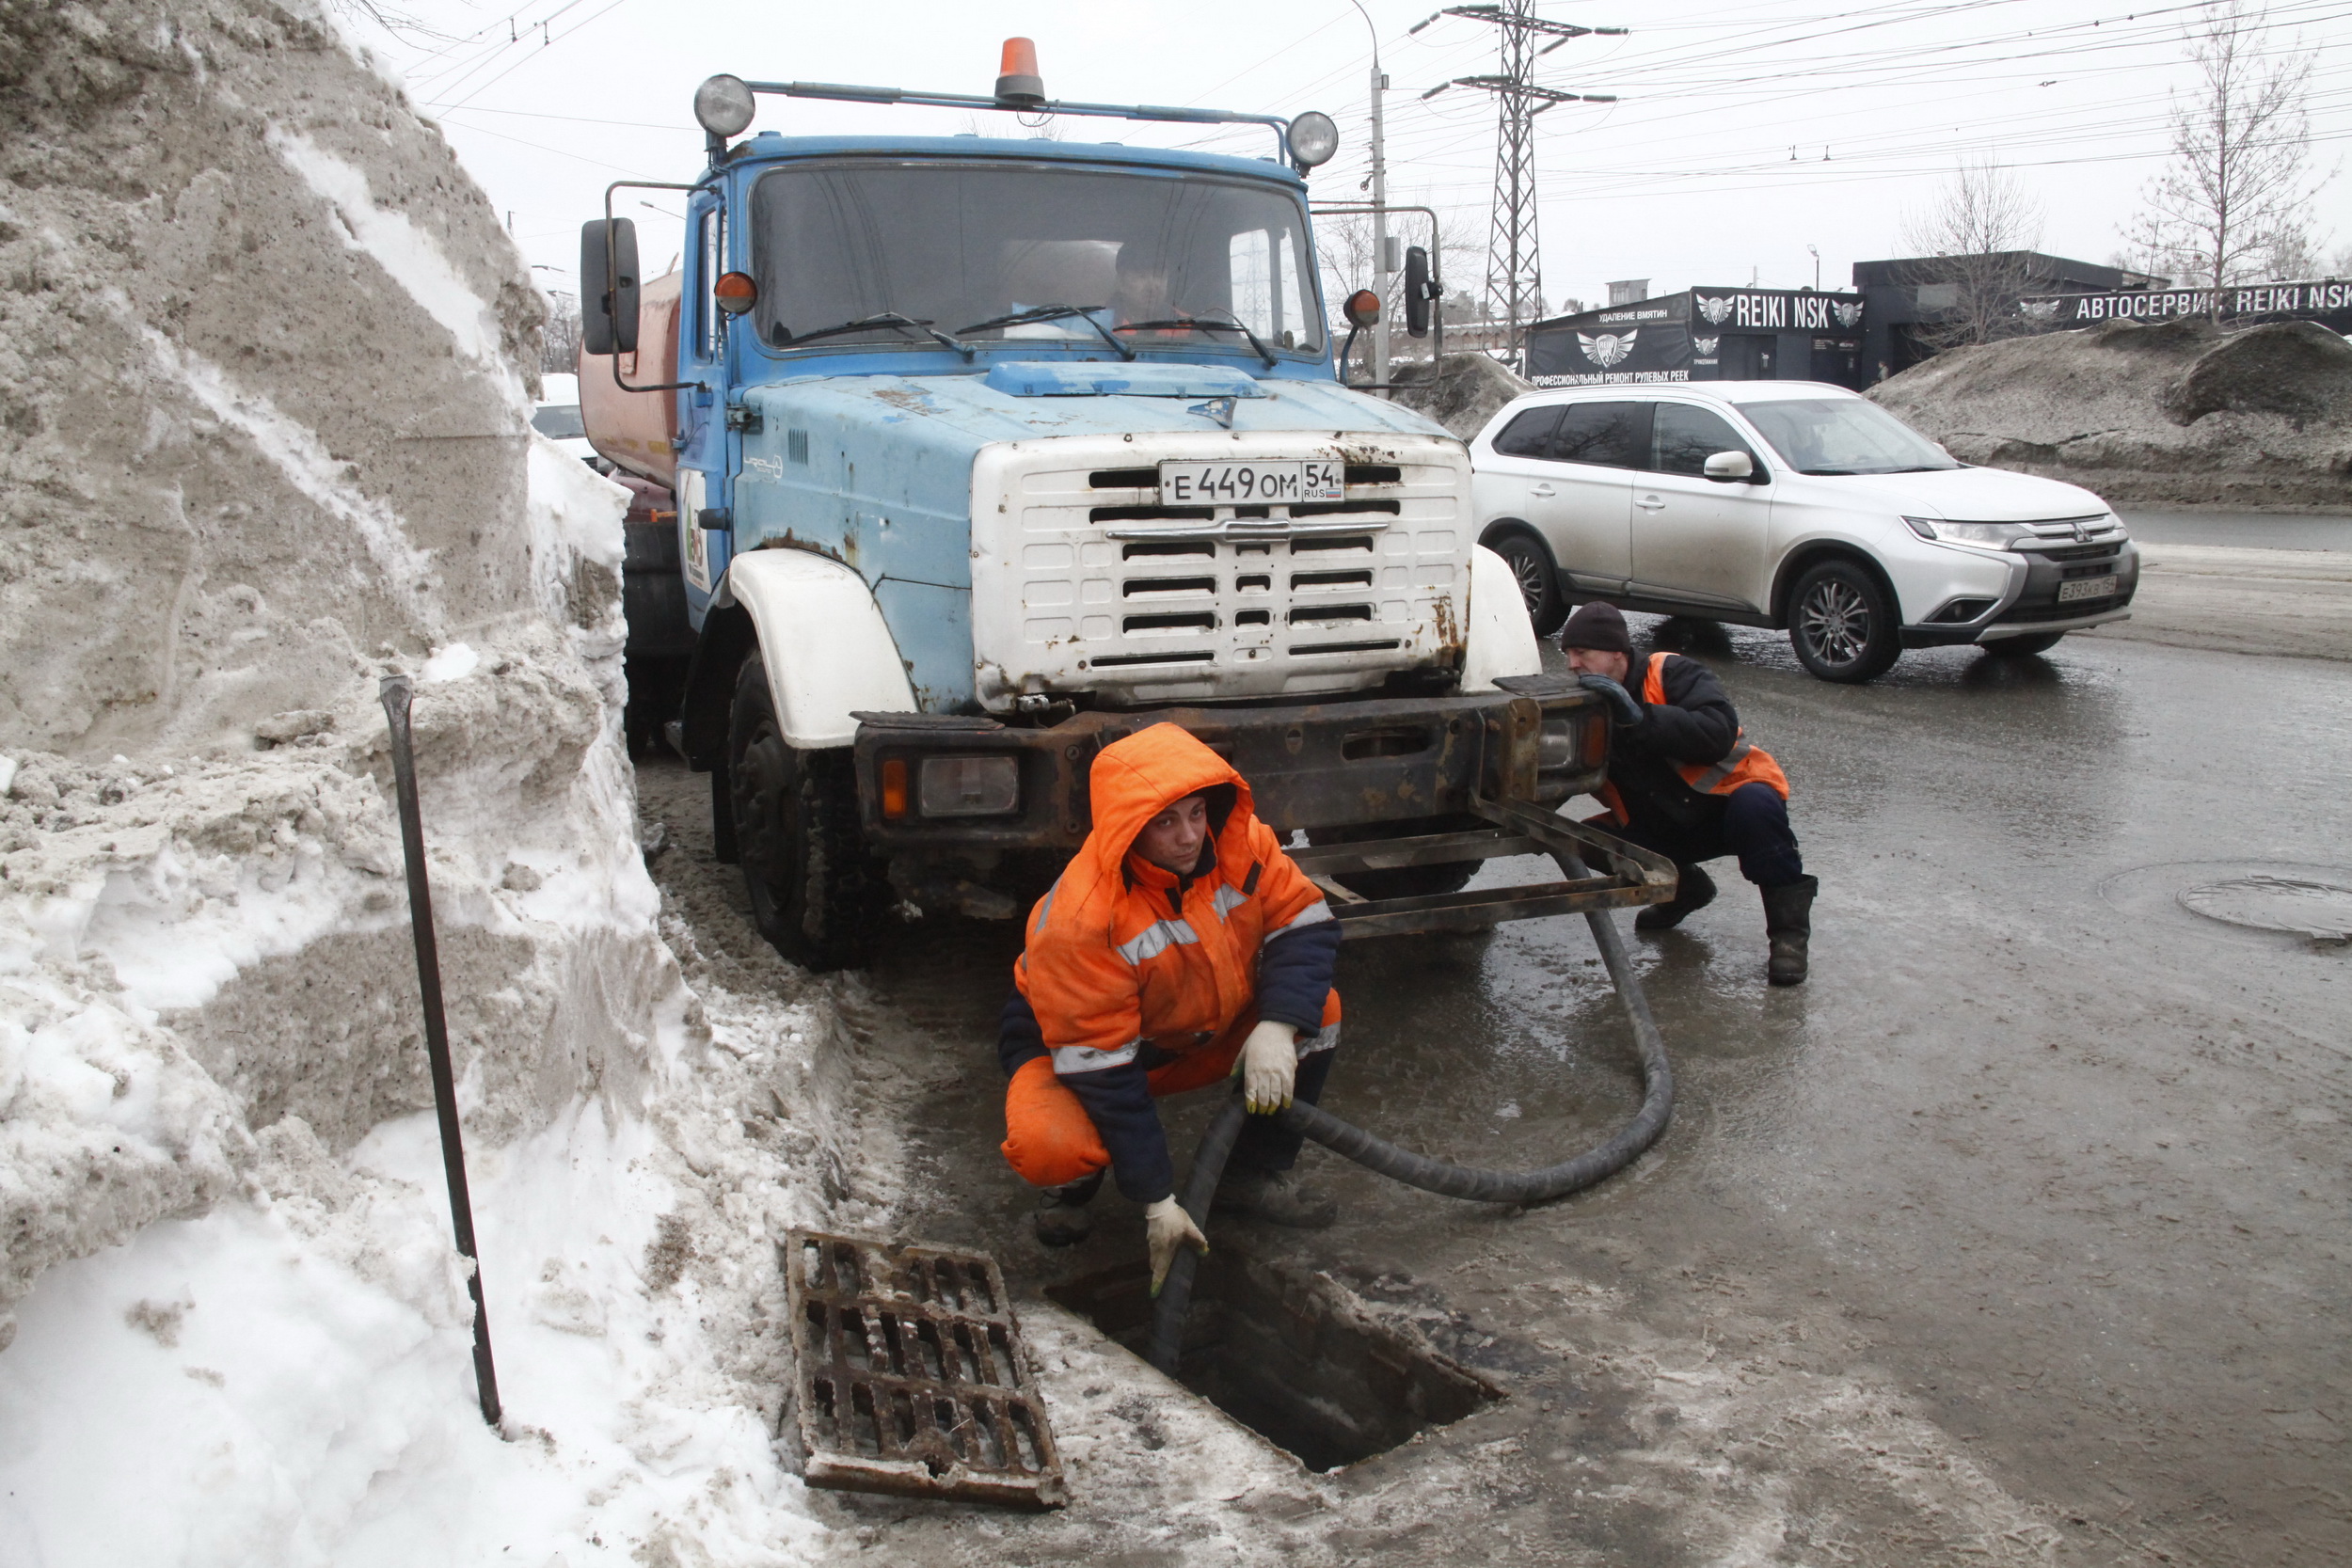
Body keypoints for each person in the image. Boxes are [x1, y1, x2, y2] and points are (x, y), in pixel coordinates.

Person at [997, 722, 1344, 1293]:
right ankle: (1076, 1184)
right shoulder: (1081, 919)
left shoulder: (1242, 843)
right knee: (1050, 1147)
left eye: (1195, 813)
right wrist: (1158, 1200)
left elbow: (1303, 923)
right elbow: (1104, 1071)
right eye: (1164, 822)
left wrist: (1278, 1027)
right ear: (1127, 827)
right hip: (1076, 1056)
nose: (1188, 837)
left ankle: (1248, 1176)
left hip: (1189, 1035)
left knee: (1318, 1013)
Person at [1561, 601, 1818, 986]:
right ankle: (1684, 890)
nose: (1572, 665)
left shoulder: (1670, 672)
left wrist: (1639, 717)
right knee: (1581, 840)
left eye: (1582, 653)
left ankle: (1788, 939)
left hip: (1723, 806)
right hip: (1661, 822)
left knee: (1757, 807)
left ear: (1617, 653)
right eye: (1568, 655)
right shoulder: (1584, 704)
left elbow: (1717, 732)